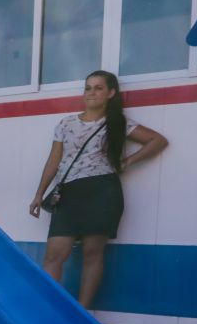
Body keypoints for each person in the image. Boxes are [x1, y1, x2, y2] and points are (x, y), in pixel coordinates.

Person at [29, 70, 168, 307]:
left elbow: (158, 140)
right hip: (68, 193)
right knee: (54, 255)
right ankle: (48, 311)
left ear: (111, 93)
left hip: (102, 192)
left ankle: (83, 315)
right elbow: (54, 160)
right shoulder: (66, 123)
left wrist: (127, 162)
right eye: (88, 88)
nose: (91, 92)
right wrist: (39, 193)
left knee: (92, 254)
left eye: (98, 88)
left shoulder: (117, 123)